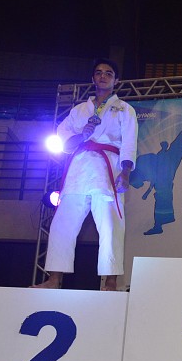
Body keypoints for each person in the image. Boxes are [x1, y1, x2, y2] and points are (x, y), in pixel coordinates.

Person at [32, 58, 137, 291]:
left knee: (110, 226)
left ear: (116, 80)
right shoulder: (78, 111)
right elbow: (63, 141)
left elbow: (130, 142)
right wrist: (82, 134)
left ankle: (111, 281)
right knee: (62, 225)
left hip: (107, 170)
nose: (103, 76)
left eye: (108, 73)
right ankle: (54, 279)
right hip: (78, 170)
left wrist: (126, 172)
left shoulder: (124, 109)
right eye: (99, 73)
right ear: (93, 78)